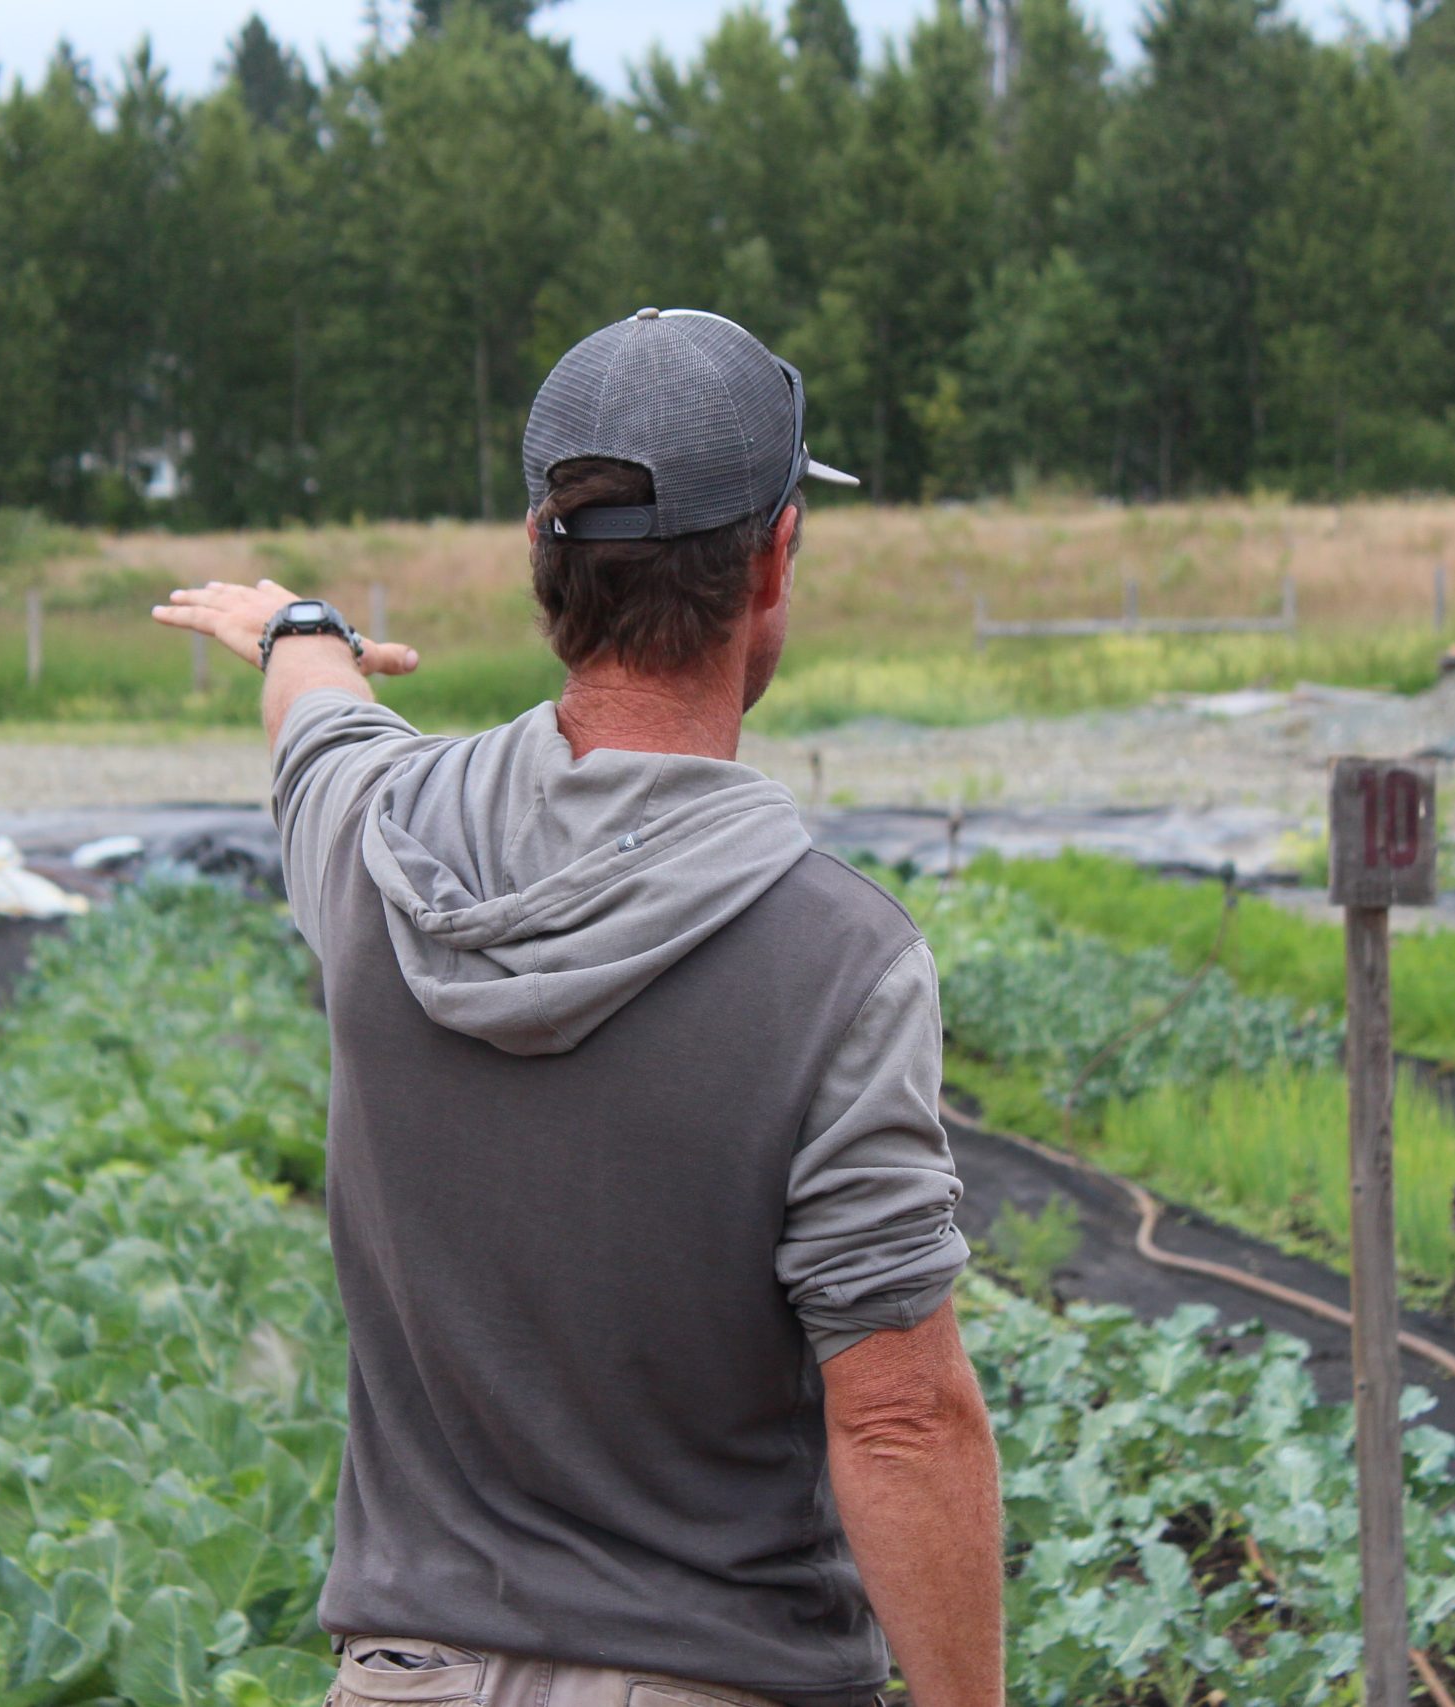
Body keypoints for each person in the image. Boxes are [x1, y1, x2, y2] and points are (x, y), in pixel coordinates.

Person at [152, 307, 1002, 1707]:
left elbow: (316, 715)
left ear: (540, 561)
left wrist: (296, 629)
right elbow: (902, 1416)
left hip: (405, 1679)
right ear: (776, 556)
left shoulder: (371, 842)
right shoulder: (837, 956)